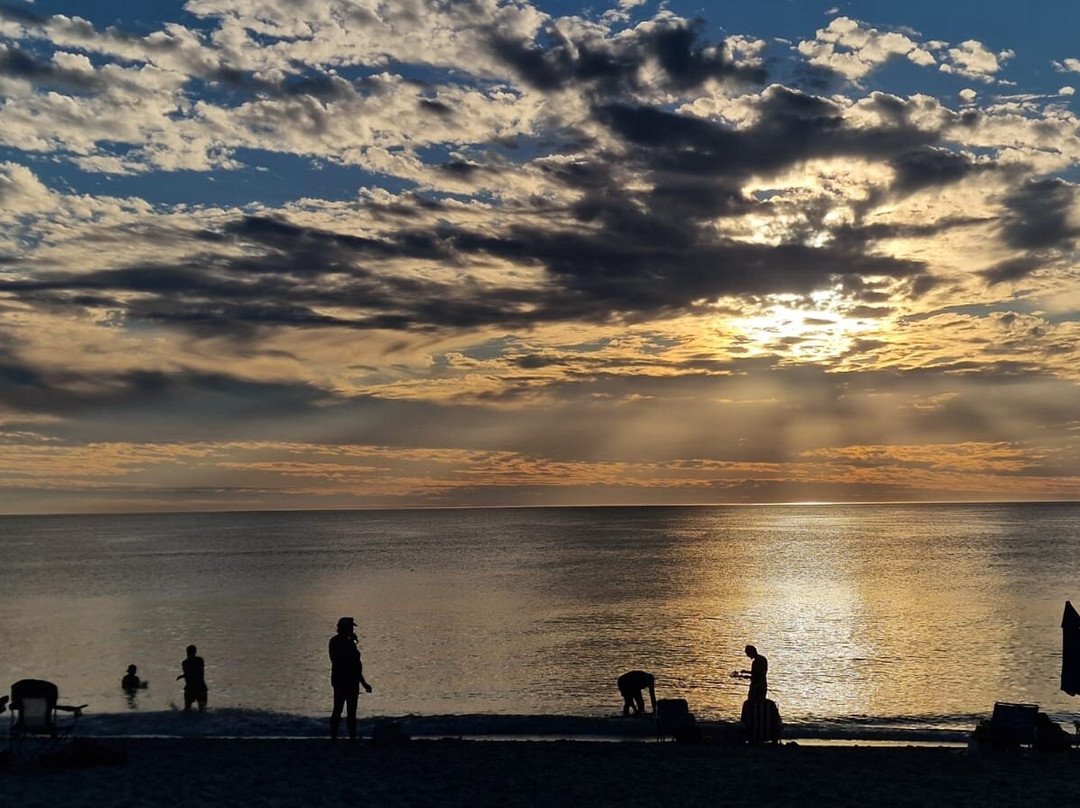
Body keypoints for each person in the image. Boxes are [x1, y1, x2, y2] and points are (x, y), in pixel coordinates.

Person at [329, 616, 372, 742]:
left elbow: (356, 665)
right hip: (344, 680)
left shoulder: (344, 642)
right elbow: (346, 662)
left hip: (349, 680)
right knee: (340, 709)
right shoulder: (338, 642)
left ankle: (348, 737)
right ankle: (336, 737)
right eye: (351, 627)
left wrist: (363, 683)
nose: (352, 629)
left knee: (349, 711)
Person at [176, 645, 208, 712]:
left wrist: (183, 676)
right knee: (203, 710)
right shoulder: (200, 660)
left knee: (187, 710)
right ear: (195, 652)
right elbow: (195, 672)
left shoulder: (185, 663)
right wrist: (183, 675)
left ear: (187, 652)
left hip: (190, 689)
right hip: (201, 688)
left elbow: (189, 673)